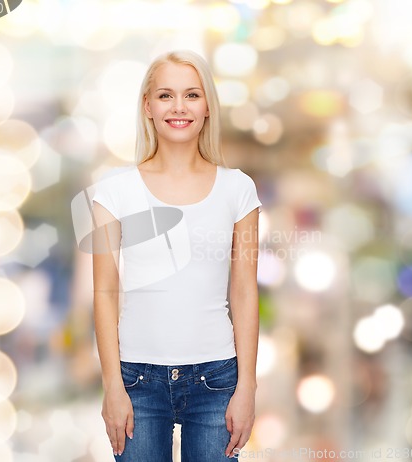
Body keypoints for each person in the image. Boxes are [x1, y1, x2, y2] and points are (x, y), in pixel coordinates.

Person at [90, 49, 262, 461]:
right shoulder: (113, 190)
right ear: (147, 106)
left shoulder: (239, 190)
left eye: (192, 95)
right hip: (136, 381)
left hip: (217, 379)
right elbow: (104, 293)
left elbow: (244, 293)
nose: (179, 107)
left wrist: (247, 389)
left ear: (207, 107)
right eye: (166, 95)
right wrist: (113, 385)